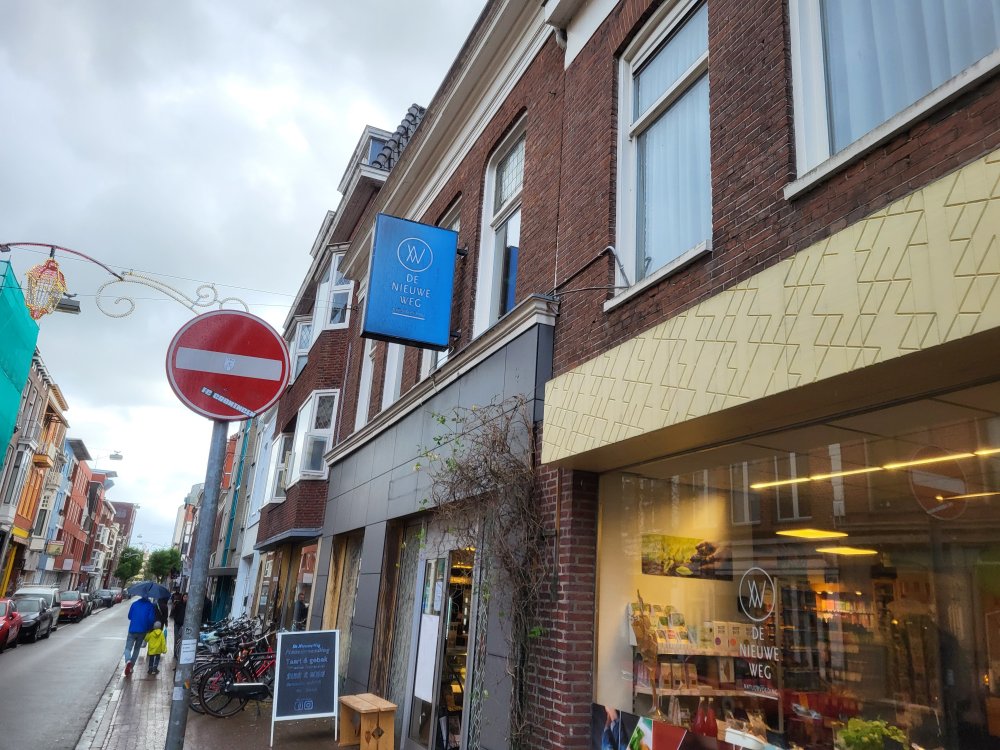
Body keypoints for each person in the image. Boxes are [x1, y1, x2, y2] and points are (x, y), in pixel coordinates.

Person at [123, 596, 157, 677]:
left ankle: (128, 661)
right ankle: (131, 667)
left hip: (132, 630)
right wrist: (148, 628)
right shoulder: (150, 606)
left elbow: (129, 616)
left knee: (128, 648)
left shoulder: (134, 604)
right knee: (137, 648)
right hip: (142, 631)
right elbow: (151, 619)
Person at [169, 593, 187, 661]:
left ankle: (181, 653)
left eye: (187, 597)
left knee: (183, 639)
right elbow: (173, 613)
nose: (185, 598)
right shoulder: (178, 604)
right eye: (184, 597)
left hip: (184, 625)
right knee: (176, 639)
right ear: (182, 597)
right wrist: (174, 606)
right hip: (177, 624)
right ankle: (175, 653)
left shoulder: (189, 606)